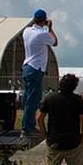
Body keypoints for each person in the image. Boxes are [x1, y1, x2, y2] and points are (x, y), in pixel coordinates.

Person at [37, 74, 83, 165]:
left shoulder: (50, 98)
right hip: (73, 142)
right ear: (74, 87)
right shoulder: (77, 100)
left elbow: (40, 118)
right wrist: (82, 138)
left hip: (54, 141)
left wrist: (45, 135)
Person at [21, 9, 58, 140]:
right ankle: (27, 128)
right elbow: (55, 42)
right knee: (33, 99)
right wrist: (50, 28)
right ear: (44, 20)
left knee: (27, 98)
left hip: (27, 66)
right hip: (36, 68)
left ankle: (27, 125)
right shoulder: (41, 34)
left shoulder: (27, 31)